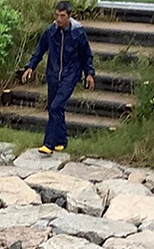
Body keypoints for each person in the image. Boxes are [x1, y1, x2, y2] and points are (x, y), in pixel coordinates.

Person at [21, 1, 95, 155]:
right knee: (54, 107)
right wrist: (30, 67)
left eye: (62, 16)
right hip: (54, 74)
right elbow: (40, 50)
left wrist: (89, 73)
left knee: (56, 107)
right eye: (57, 15)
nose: (59, 19)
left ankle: (49, 144)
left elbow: (86, 55)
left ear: (69, 16)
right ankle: (61, 140)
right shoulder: (51, 31)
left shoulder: (78, 33)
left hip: (71, 74)